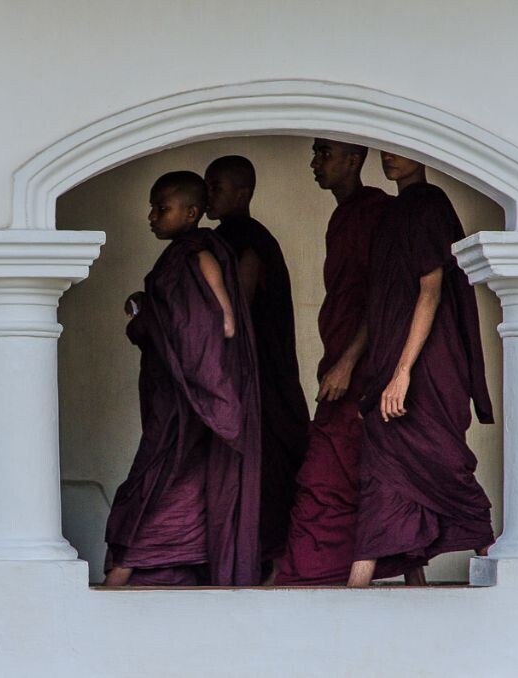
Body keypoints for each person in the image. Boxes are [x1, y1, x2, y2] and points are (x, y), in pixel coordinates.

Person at [104, 170, 262, 587]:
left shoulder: (200, 253)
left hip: (193, 396)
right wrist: (147, 311)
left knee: (161, 480)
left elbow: (223, 322)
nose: (152, 216)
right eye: (152, 208)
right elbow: (177, 316)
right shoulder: (177, 256)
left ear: (192, 213)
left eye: (162, 208)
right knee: (159, 476)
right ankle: (163, 570)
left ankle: (122, 574)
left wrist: (203, 382)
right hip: (173, 395)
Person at [347, 153, 495, 587]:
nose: (391, 157)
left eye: (401, 149)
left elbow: (429, 289)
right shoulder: (394, 212)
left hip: (428, 367)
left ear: (424, 154)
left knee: (442, 463)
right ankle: (401, 587)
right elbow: (383, 302)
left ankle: (505, 565)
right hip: (391, 364)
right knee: (384, 472)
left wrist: (403, 372)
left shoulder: (429, 203)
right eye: (384, 151)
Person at [271, 139, 391, 585]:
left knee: (336, 471)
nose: (314, 162)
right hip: (338, 362)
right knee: (327, 474)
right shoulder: (343, 215)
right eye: (314, 153)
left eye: (325, 153)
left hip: (359, 370)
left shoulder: (375, 211)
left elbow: (380, 298)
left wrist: (346, 363)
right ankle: (311, 576)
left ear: (354, 160)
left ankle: (323, 578)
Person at [205, 155, 310, 573]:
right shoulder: (222, 239)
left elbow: (238, 306)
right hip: (248, 378)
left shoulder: (249, 239)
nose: (208, 195)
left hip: (260, 379)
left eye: (217, 187)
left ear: (242, 193)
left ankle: (267, 567)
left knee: (268, 471)